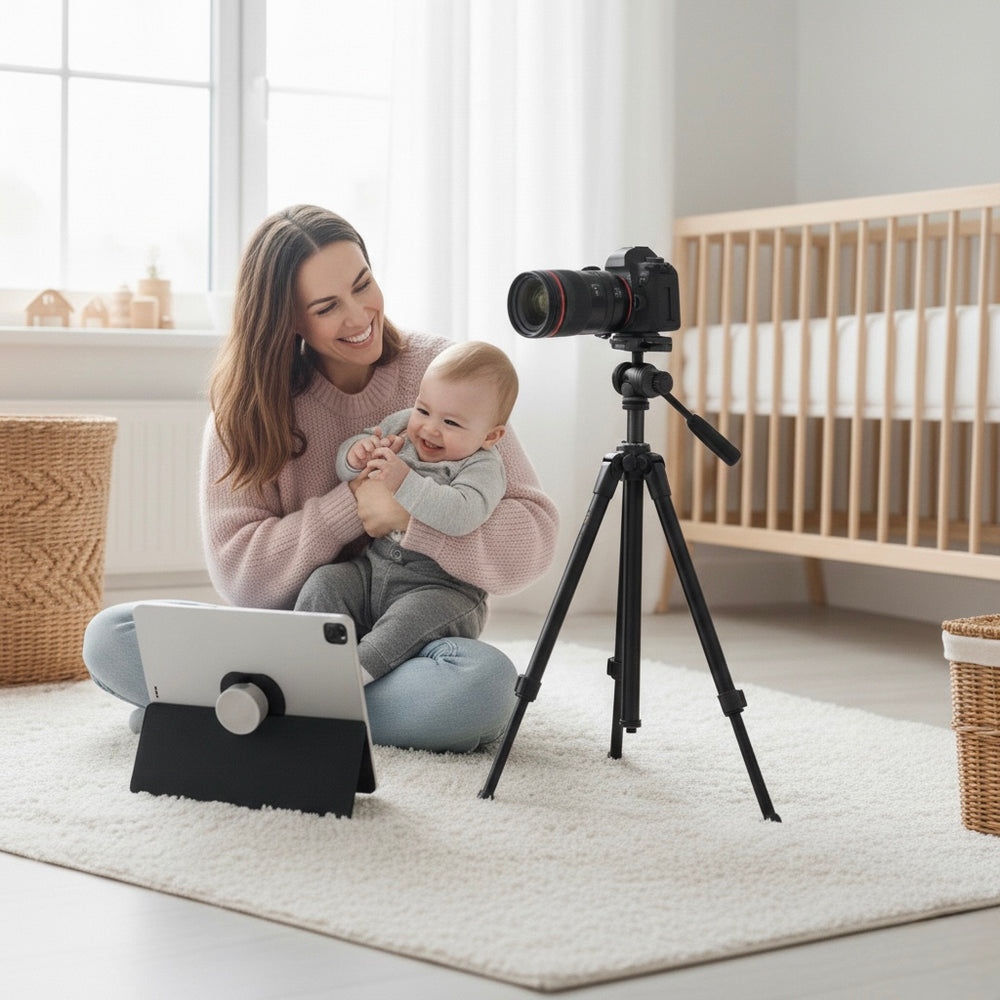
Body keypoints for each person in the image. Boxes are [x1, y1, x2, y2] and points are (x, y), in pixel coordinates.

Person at [83, 205, 559, 753]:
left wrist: (409, 515)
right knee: (112, 636)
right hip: (289, 641)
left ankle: (236, 707)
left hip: (407, 645)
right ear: (287, 319)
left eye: (364, 285)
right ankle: (307, 700)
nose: (359, 317)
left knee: (481, 687)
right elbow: (243, 578)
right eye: (328, 306)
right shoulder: (248, 409)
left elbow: (535, 537)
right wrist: (352, 505)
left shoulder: (442, 377)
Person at [295, 340, 517, 682]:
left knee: (411, 619)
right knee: (326, 581)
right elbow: (352, 466)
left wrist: (403, 481)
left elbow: (461, 515)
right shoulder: (402, 426)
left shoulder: (483, 467)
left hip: (441, 590)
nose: (429, 428)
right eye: (424, 410)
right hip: (373, 570)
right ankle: (304, 665)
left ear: (491, 435)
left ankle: (350, 679)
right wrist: (357, 454)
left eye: (452, 423)